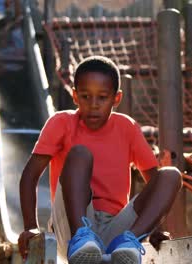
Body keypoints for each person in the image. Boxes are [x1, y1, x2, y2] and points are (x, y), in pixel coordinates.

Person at [18, 55, 182, 264]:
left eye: (102, 97)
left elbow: (155, 182)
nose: (93, 105)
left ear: (116, 98)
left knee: (170, 175)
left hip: (116, 228)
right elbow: (30, 176)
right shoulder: (61, 123)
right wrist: (30, 226)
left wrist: (155, 227)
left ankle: (129, 241)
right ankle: (82, 239)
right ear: (75, 97)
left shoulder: (127, 128)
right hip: (71, 225)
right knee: (80, 154)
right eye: (86, 97)